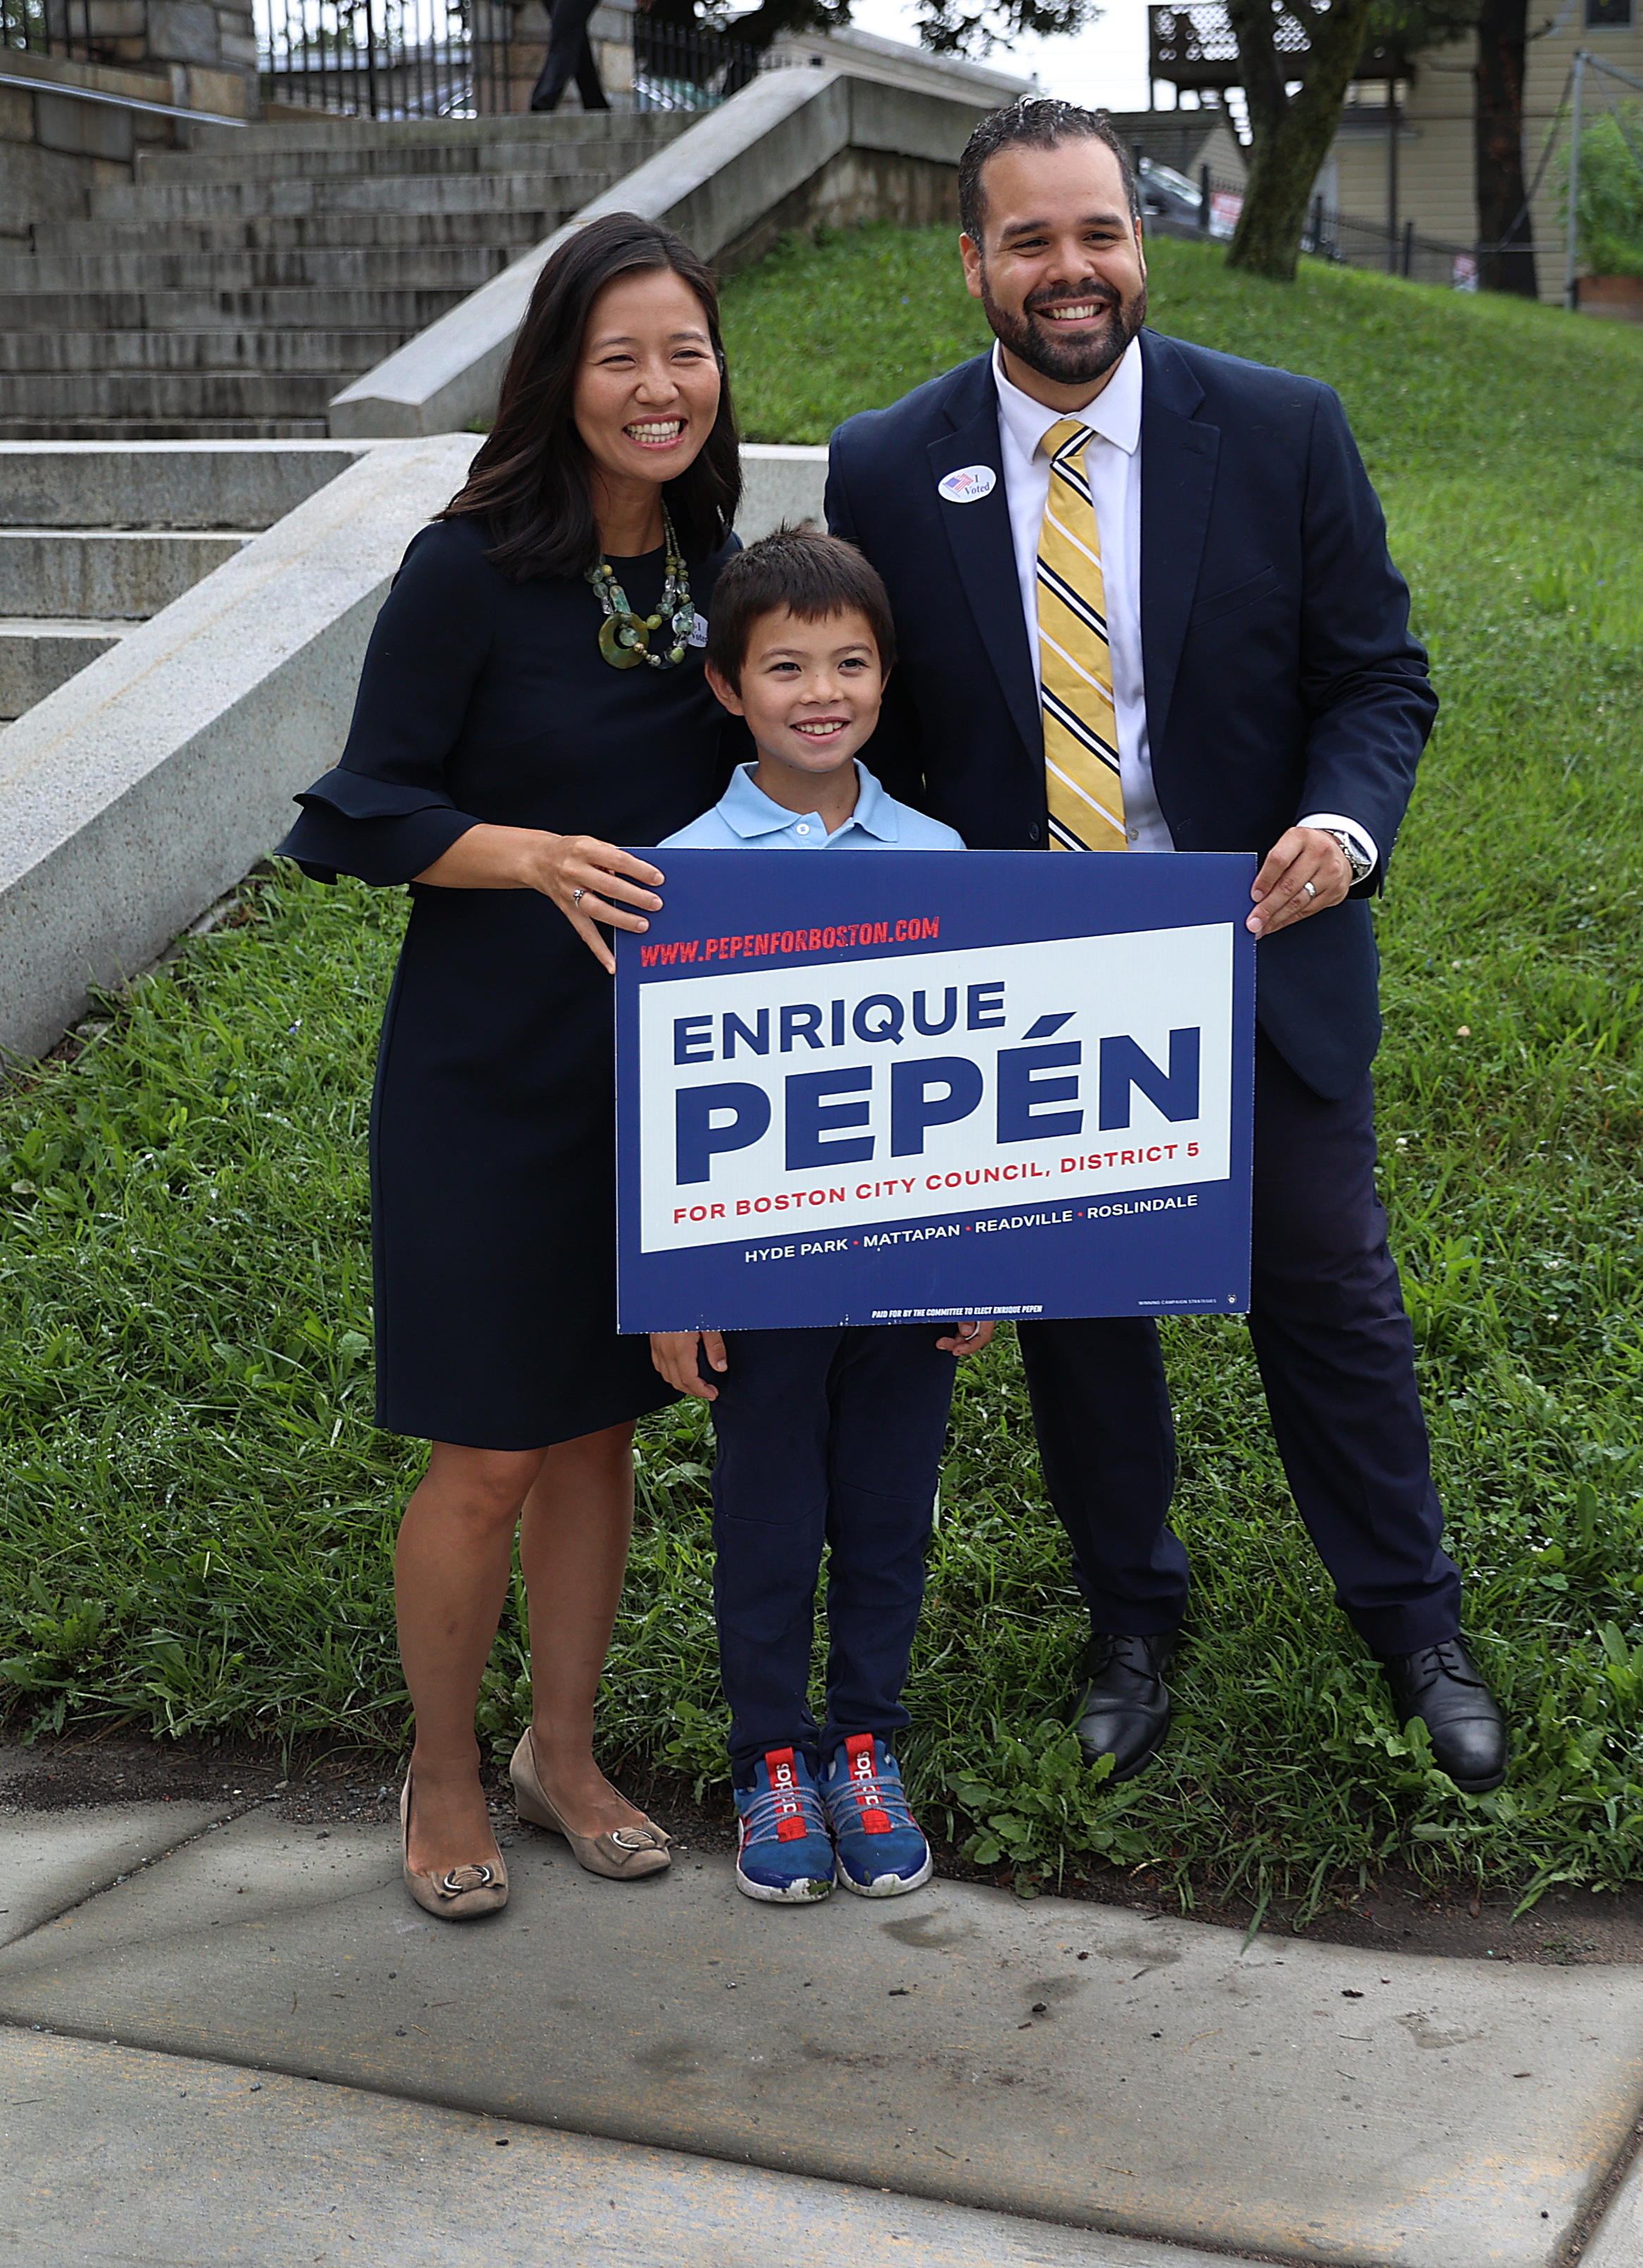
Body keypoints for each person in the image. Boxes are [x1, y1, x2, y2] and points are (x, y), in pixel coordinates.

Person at [824, 97, 1507, 1793]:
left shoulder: (1278, 430)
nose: (1074, 270)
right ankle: (1132, 1613)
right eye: (1034, 238)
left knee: (1330, 1292)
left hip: (1255, 947)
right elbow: (869, 738)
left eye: (1100, 231)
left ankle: (1414, 1620)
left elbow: (1377, 678)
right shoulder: (887, 464)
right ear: (973, 259)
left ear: (1144, 241)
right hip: (1031, 983)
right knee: (1081, 1315)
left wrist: (1346, 828)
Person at [281, 213, 749, 1920]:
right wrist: (533, 854)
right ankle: (446, 1763)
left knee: (602, 1432)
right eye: (619, 353)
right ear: (557, 372)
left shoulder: (712, 562)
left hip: (662, 1072)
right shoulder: (467, 565)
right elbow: (361, 811)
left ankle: (563, 1747)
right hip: (490, 1070)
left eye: (683, 352)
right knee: (487, 1448)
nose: (656, 385)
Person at [642, 526, 996, 1902]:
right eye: (784, 664)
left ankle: (865, 1743)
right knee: (771, 1521)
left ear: (887, 677)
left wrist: (978, 1255)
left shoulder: (939, 850)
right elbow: (660, 1092)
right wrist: (675, 1279)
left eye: (850, 660)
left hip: (905, 1268)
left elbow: (982, 1071)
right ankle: (769, 1758)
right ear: (729, 687)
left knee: (890, 1516)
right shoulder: (680, 866)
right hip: (761, 1275)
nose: (821, 689)